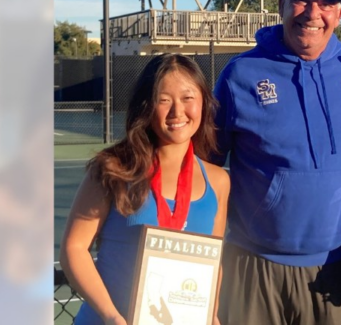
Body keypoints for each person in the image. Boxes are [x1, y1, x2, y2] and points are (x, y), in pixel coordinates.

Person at [212, 0, 341, 325]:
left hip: (337, 267)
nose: (313, 13)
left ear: (338, 14)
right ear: (282, 5)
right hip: (253, 266)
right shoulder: (240, 74)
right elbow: (206, 170)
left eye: (325, 3)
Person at [60, 54, 230, 325]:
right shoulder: (112, 169)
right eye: (163, 100)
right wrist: (111, 316)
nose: (177, 112)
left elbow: (213, 262)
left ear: (204, 103)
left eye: (188, 98)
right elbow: (74, 248)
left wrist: (210, 312)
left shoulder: (219, 181)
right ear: (146, 106)